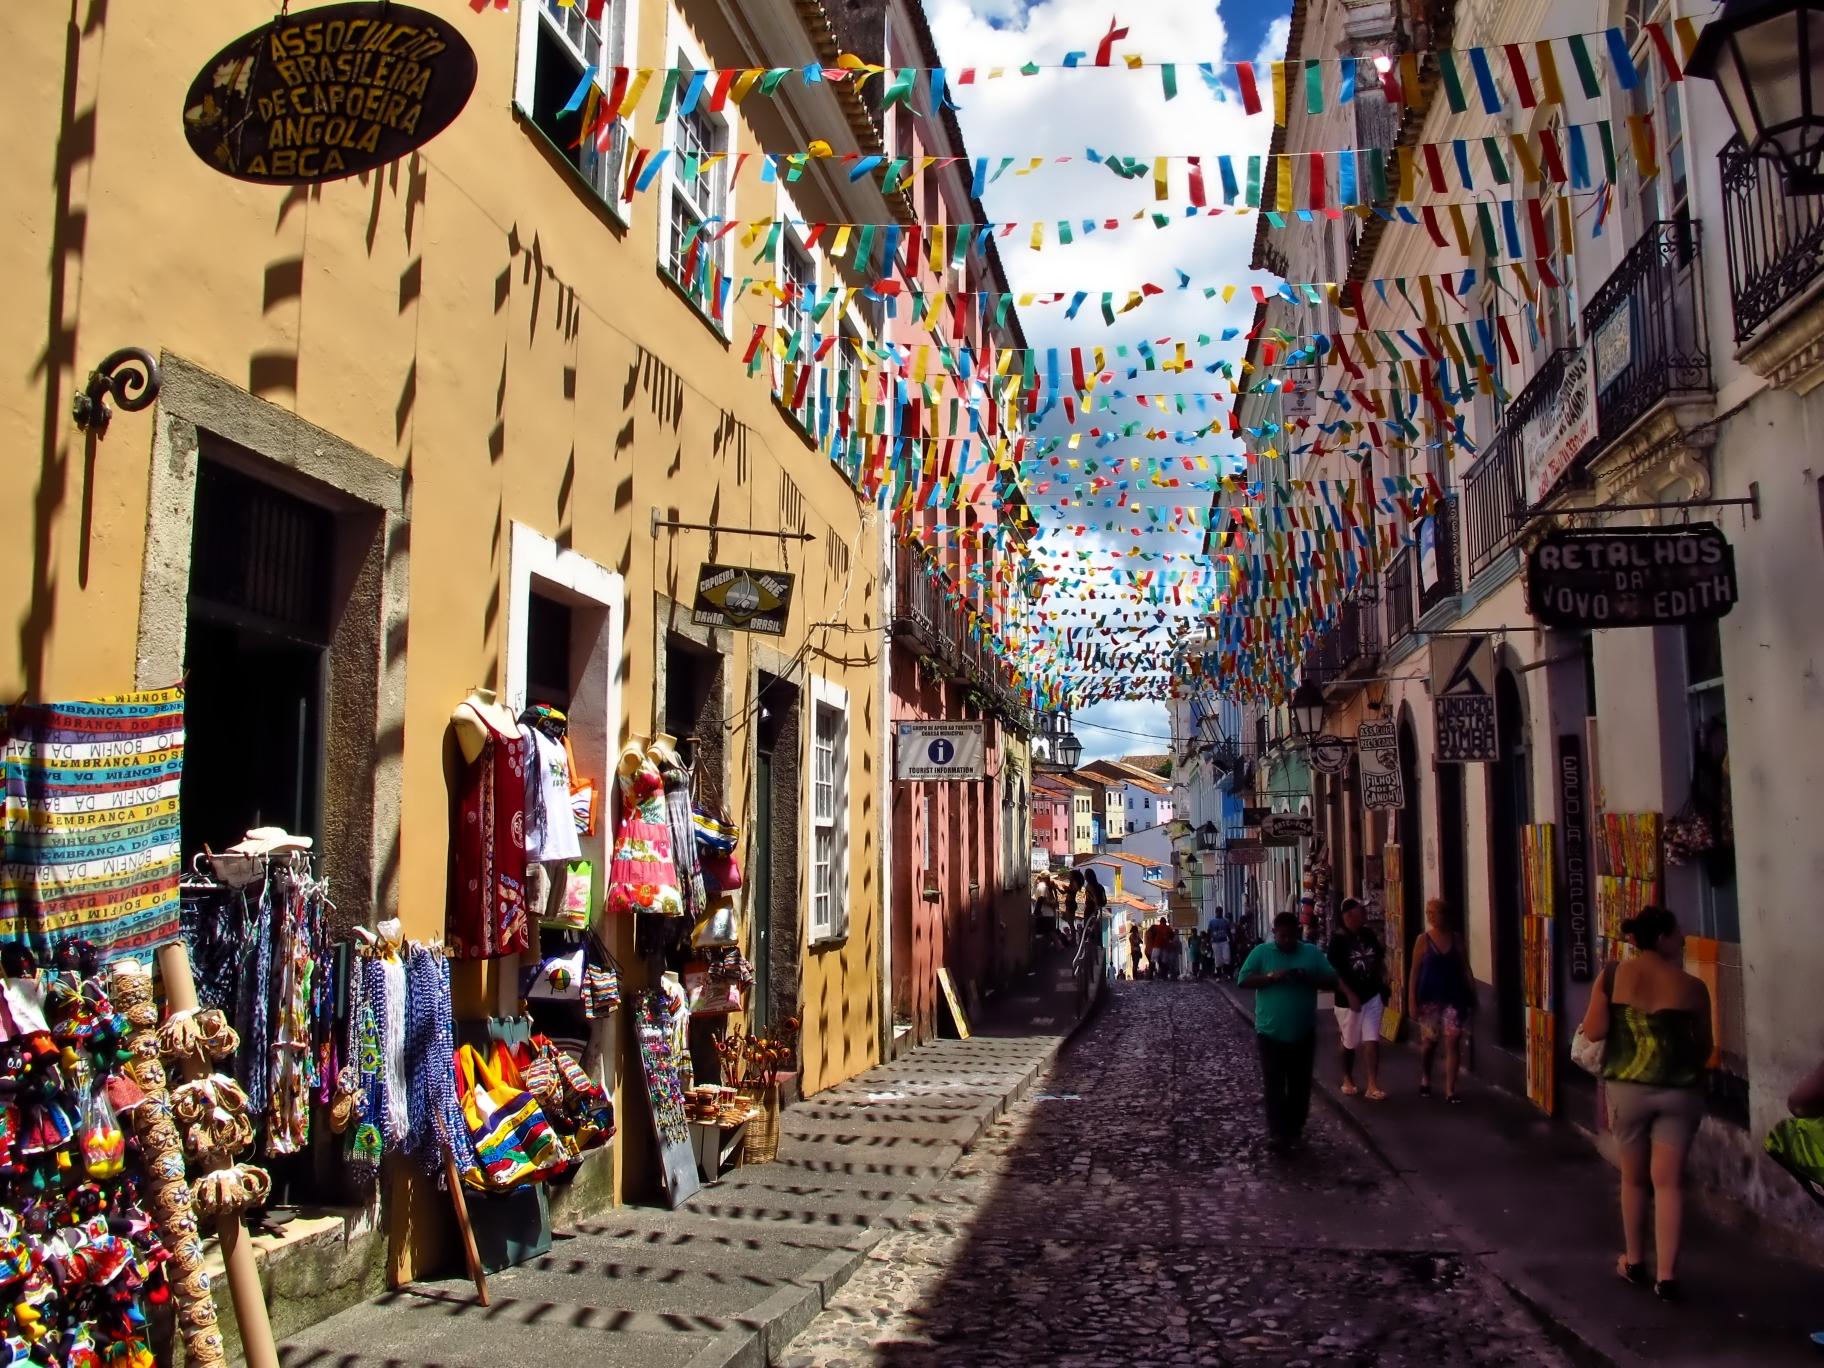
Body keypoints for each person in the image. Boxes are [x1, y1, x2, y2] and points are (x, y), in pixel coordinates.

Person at [1577, 906, 1711, 1302]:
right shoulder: (1692, 987)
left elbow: (1595, 1029)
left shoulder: (1614, 974)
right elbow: (1704, 1048)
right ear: (1664, 938)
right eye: (1678, 931)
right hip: (1679, 1091)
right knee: (1668, 1183)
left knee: (1633, 1179)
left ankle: (1634, 1262)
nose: (1683, 936)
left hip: (1628, 1090)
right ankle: (1667, 1277)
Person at [1238, 912, 1337, 1153]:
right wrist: (1271, 978)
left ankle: (1295, 1129)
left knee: (1300, 1085)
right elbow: (1243, 980)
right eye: (1282, 936)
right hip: (1270, 1032)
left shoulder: (1311, 953)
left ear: (1298, 934)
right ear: (1275, 934)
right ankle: (1276, 1132)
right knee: (1273, 1084)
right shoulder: (1262, 953)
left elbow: (1332, 980)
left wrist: (1308, 978)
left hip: (1303, 1031)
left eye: (1291, 936)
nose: (1287, 941)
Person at [1408, 898, 1475, 1102]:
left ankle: (1450, 1090)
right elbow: (1414, 972)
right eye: (1428, 912)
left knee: (1453, 1041)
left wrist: (1472, 993)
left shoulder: (1456, 939)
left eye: (1434, 912)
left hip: (1454, 998)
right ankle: (1426, 1076)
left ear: (1445, 915)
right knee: (1429, 1043)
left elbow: (1465, 967)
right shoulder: (1423, 940)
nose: (1430, 916)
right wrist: (1411, 1000)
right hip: (1429, 999)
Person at [1326, 898, 1389, 1101]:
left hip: (1371, 994)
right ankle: (1348, 1078)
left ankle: (1372, 1083)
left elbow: (1378, 958)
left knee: (1372, 1039)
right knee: (1350, 1042)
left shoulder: (1368, 934)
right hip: (1348, 1001)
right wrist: (1350, 994)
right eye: (1360, 910)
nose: (1364, 913)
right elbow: (1333, 973)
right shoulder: (1337, 940)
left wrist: (1384, 980)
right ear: (1349, 915)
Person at [1208, 907, 1233, 980]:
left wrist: (1231, 941)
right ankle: (1218, 976)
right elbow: (1209, 932)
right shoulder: (1211, 922)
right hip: (1215, 942)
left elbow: (1228, 932)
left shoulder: (1225, 921)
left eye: (1220, 912)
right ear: (1216, 912)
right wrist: (1209, 941)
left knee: (1227, 957)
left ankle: (1226, 973)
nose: (1219, 913)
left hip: (1224, 941)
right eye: (1218, 911)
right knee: (1218, 959)